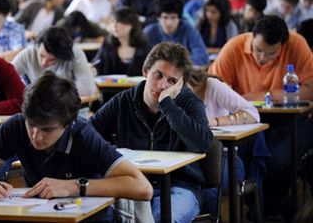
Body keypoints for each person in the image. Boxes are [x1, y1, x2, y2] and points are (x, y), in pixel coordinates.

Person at [0, 71, 153, 221]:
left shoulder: (83, 136)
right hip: (40, 215)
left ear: (67, 124)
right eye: (31, 125)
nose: (36, 136)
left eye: (47, 129)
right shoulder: (15, 126)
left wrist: (74, 187)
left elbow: (143, 188)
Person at [91, 42, 213, 223]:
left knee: (159, 219)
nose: (163, 85)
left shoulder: (190, 103)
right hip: (131, 184)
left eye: (172, 81)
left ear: (180, 85)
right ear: (145, 71)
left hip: (179, 187)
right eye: (158, 75)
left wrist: (168, 105)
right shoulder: (124, 100)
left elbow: (204, 143)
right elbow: (89, 133)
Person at [209, 15, 313, 220]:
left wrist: (263, 95)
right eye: (257, 50)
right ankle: (262, 210)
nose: (261, 58)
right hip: (247, 121)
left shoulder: (297, 44)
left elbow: (310, 90)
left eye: (271, 54)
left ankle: (271, 211)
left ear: (283, 46)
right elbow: (214, 86)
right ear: (252, 37)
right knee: (245, 161)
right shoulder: (235, 46)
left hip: (290, 120)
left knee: (278, 160)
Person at [186, 69, 269, 217]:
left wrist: (216, 122)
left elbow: (252, 114)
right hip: (190, 157)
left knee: (209, 186)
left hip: (224, 157)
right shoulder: (166, 95)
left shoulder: (211, 86)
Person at [12, 26, 97, 97]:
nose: (43, 63)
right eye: (41, 56)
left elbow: (88, 89)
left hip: (69, 110)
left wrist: (39, 91)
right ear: (37, 46)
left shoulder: (75, 54)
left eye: (51, 60)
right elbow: (5, 77)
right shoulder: (29, 53)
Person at [143, 0, 209, 66]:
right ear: (158, 18)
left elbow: (202, 58)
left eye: (173, 17)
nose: (169, 23)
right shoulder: (148, 32)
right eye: (165, 17)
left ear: (179, 18)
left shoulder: (189, 30)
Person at [93, 7, 151, 76]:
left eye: (119, 21)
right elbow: (97, 63)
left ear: (131, 25)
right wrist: (93, 69)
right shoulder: (107, 44)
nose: (114, 25)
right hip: (110, 86)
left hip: (137, 86)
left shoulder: (144, 46)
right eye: (113, 21)